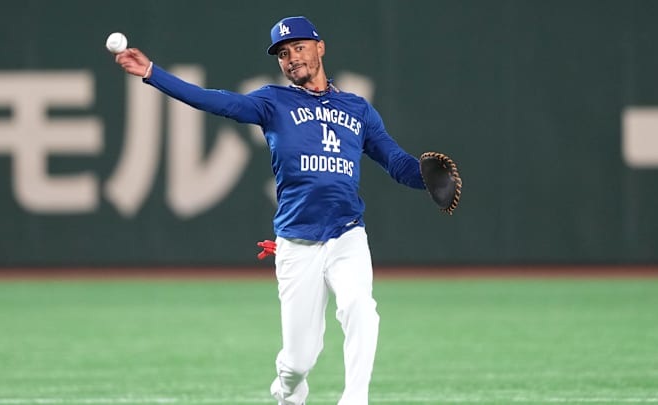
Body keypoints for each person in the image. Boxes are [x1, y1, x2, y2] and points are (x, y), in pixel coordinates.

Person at [113, 15, 427, 405]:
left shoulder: (357, 109)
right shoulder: (272, 102)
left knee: (360, 306)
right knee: (299, 361)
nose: (291, 57)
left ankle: (355, 400)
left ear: (320, 47)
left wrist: (427, 177)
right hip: (297, 244)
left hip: (347, 233)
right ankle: (286, 391)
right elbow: (218, 102)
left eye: (298, 47)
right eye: (282, 53)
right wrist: (152, 73)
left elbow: (396, 162)